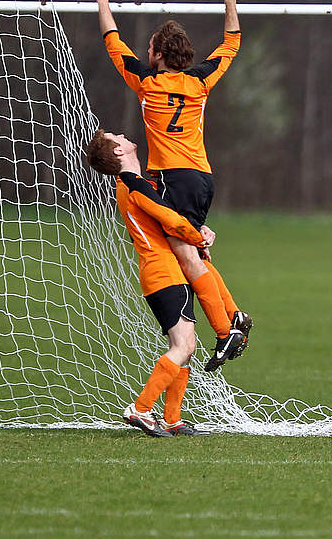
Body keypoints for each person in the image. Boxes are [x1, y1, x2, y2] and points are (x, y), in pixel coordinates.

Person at [91, 0, 253, 369]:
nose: (146, 53)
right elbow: (231, 43)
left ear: (159, 54)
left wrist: (103, 1)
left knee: (186, 255)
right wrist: (230, 1)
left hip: (173, 178)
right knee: (194, 252)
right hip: (202, 177)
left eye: (150, 48)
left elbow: (114, 45)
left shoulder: (147, 84)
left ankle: (226, 327)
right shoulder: (200, 82)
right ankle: (235, 318)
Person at [84, 129, 247, 437]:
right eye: (116, 137)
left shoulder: (139, 184)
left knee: (183, 346)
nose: (122, 135)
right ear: (119, 152)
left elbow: (169, 219)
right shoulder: (134, 185)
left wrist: (199, 231)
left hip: (160, 272)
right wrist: (197, 237)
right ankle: (141, 409)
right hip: (164, 273)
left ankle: (172, 419)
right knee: (183, 345)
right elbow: (171, 221)